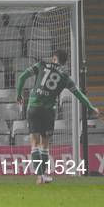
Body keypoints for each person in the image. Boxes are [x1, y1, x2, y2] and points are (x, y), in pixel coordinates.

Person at [16, 49, 99, 184]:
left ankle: (40, 176)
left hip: (34, 107)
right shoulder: (66, 76)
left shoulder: (41, 65)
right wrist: (91, 107)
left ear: (54, 59)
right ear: (65, 63)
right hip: (48, 110)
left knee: (34, 144)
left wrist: (19, 94)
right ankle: (43, 176)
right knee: (44, 145)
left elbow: (22, 77)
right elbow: (79, 94)